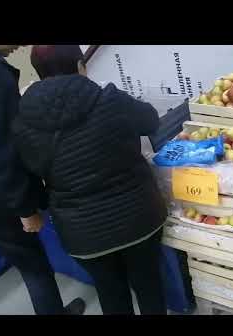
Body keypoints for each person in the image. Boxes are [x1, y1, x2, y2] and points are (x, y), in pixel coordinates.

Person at [12, 45, 168, 315]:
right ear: (81, 65)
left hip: (82, 234)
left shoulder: (23, 121)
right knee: (149, 286)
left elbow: (27, 175)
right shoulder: (110, 99)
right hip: (139, 218)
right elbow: (151, 121)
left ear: (38, 74)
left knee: (111, 294)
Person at [0, 45, 85, 315]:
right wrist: (24, 208)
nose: (21, 45)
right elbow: (2, 150)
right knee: (35, 268)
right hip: (0, 197)